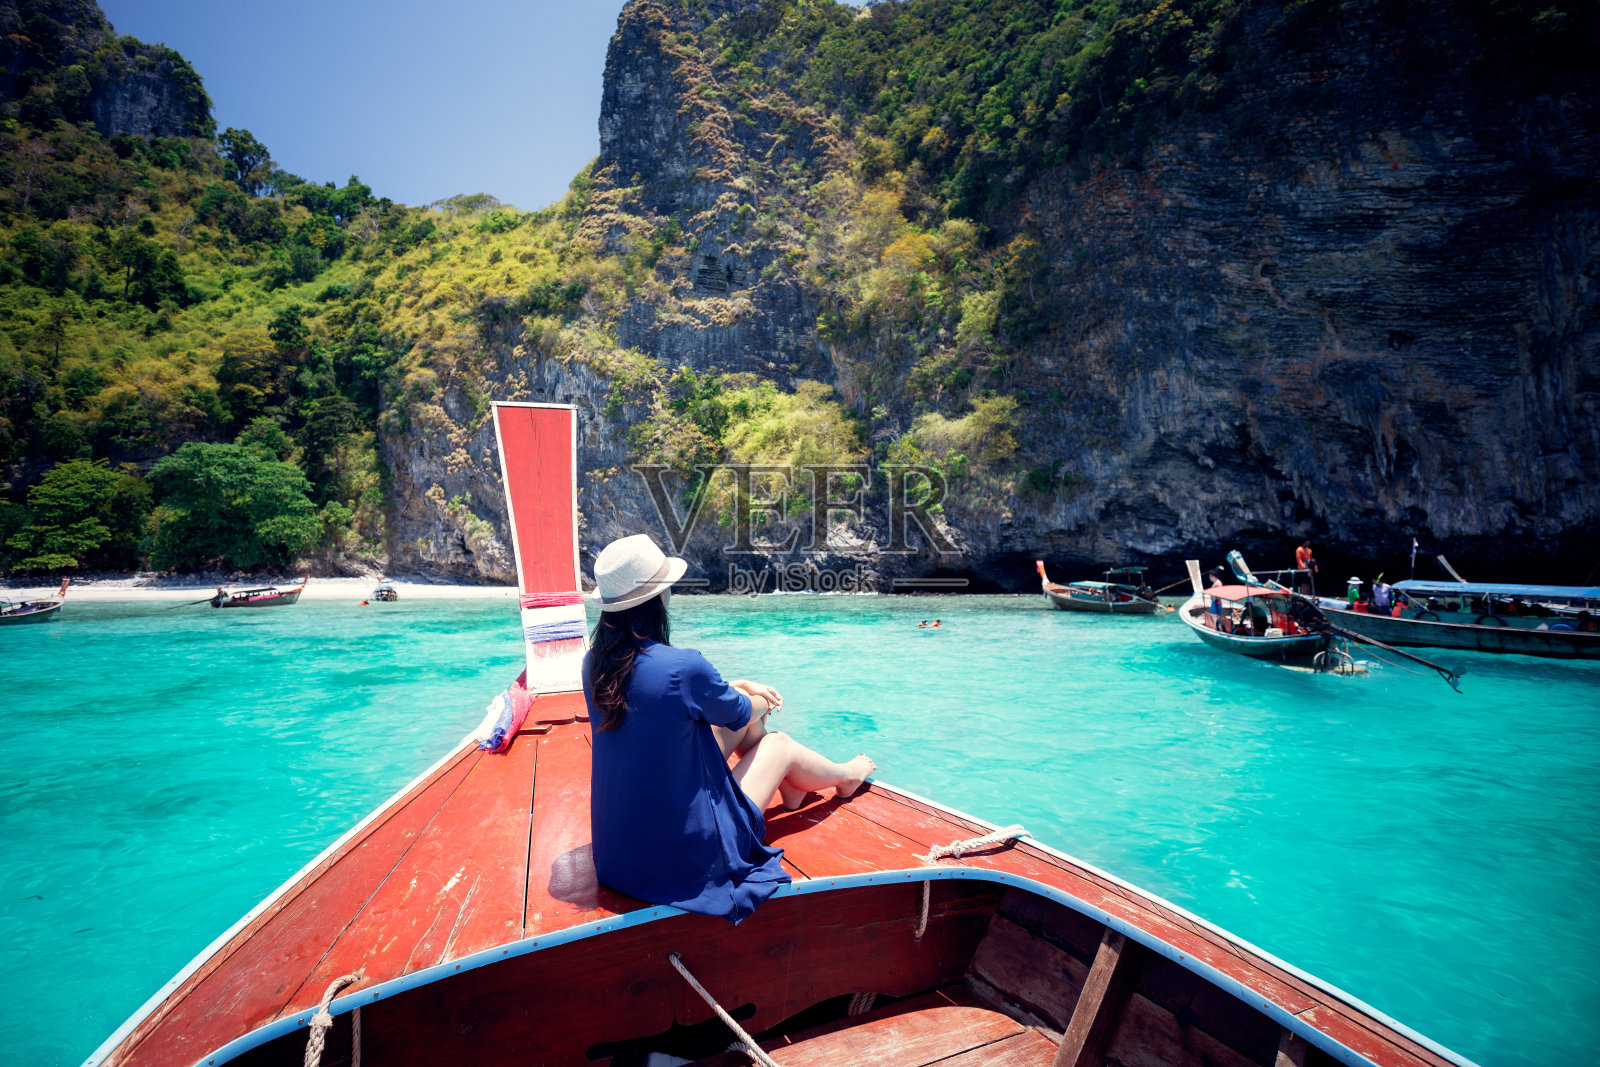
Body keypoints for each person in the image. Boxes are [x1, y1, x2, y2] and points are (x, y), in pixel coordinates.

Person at [584, 534, 874, 925]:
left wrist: (737, 686)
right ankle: (844, 777)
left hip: (619, 858)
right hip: (684, 858)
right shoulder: (682, 667)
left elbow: (683, 699)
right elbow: (738, 711)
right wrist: (761, 697)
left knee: (742, 719)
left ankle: (791, 789)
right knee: (778, 743)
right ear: (658, 599)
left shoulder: (595, 665)